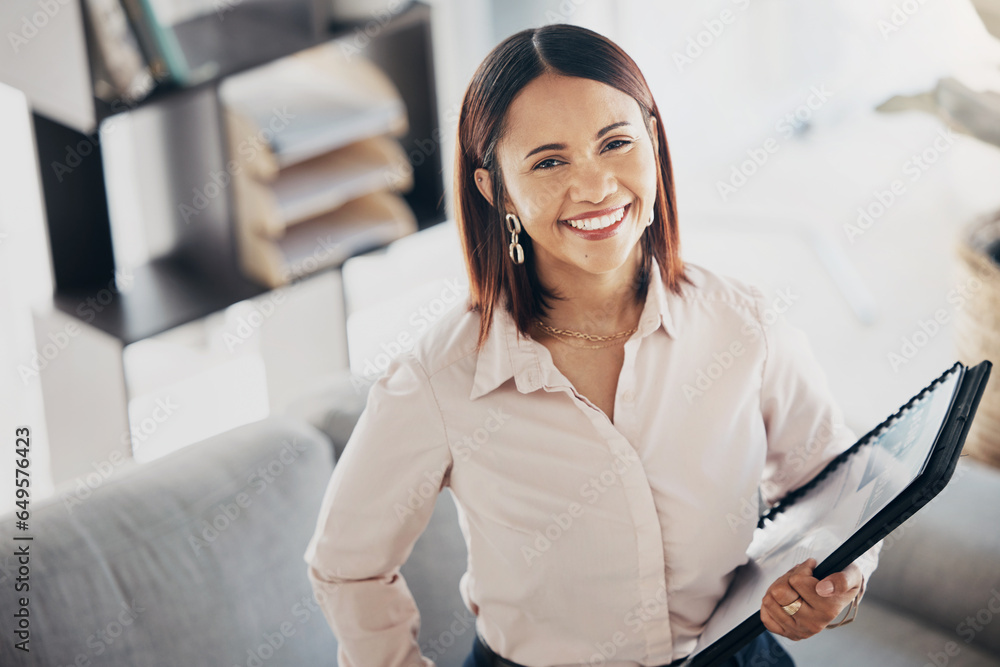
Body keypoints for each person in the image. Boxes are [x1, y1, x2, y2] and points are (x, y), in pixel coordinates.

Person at [303, 23, 883, 667]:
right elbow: (345, 566)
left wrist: (838, 582)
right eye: (549, 161)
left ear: (654, 143)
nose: (597, 186)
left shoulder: (740, 324)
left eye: (616, 144)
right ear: (496, 191)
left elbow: (837, 483)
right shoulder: (442, 377)